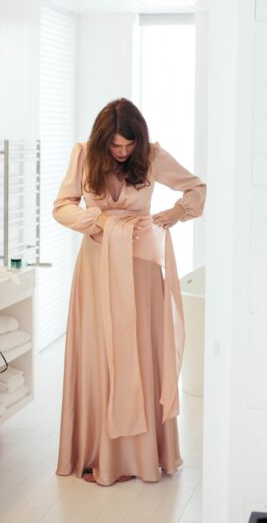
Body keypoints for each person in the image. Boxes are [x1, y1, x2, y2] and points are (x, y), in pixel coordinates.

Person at [52, 98, 206, 485]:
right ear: (103, 140)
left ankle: (140, 455)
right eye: (116, 146)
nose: (122, 153)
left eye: (129, 145)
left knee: (138, 350)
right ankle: (97, 453)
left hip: (139, 266)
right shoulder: (84, 155)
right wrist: (98, 219)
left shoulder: (152, 156)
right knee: (99, 353)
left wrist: (177, 213)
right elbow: (62, 206)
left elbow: (196, 188)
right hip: (97, 266)